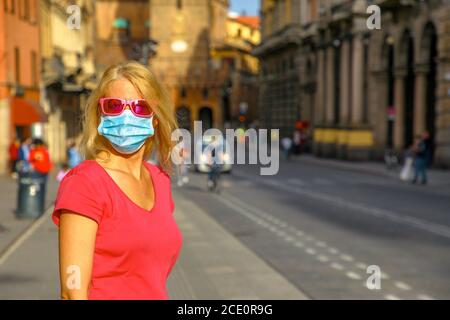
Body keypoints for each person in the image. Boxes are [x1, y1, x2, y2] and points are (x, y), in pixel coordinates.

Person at [52, 61, 182, 300]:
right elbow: (72, 291)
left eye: (140, 108)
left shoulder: (159, 180)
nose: (126, 116)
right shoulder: (85, 183)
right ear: (100, 113)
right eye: (114, 106)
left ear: (155, 118)